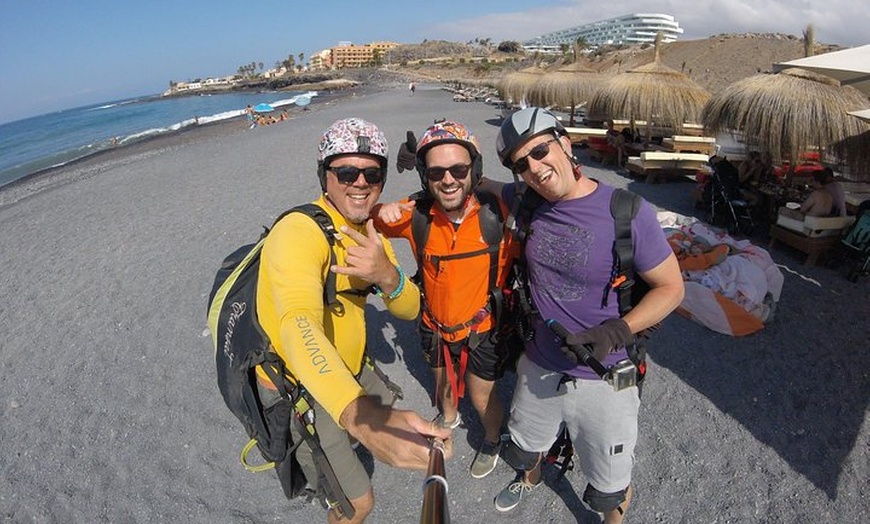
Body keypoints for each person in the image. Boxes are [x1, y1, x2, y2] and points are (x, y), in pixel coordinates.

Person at [485, 108, 684, 521]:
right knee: (528, 444)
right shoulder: (526, 201)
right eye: (522, 164)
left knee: (610, 480)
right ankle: (530, 479)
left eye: (540, 151)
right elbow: (481, 183)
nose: (535, 169)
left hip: (606, 371)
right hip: (541, 360)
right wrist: (438, 169)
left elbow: (672, 288)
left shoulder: (628, 212)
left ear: (565, 143)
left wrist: (617, 329)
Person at [255, 117, 452, 523]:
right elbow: (298, 325)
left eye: (371, 173)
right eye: (346, 171)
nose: (360, 182)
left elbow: (411, 309)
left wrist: (388, 276)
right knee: (358, 505)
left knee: (388, 415)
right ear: (325, 177)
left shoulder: (367, 230)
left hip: (348, 367)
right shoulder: (297, 232)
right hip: (302, 385)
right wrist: (363, 419)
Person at [373, 121, 519, 480]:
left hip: (483, 327)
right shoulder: (417, 214)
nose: (449, 179)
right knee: (441, 385)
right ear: (425, 175)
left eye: (459, 169)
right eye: (437, 171)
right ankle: (449, 415)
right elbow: (362, 222)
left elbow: (547, 206)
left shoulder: (500, 214)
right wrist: (382, 210)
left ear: (475, 170)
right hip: (433, 324)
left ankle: (491, 438)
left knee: (482, 397)